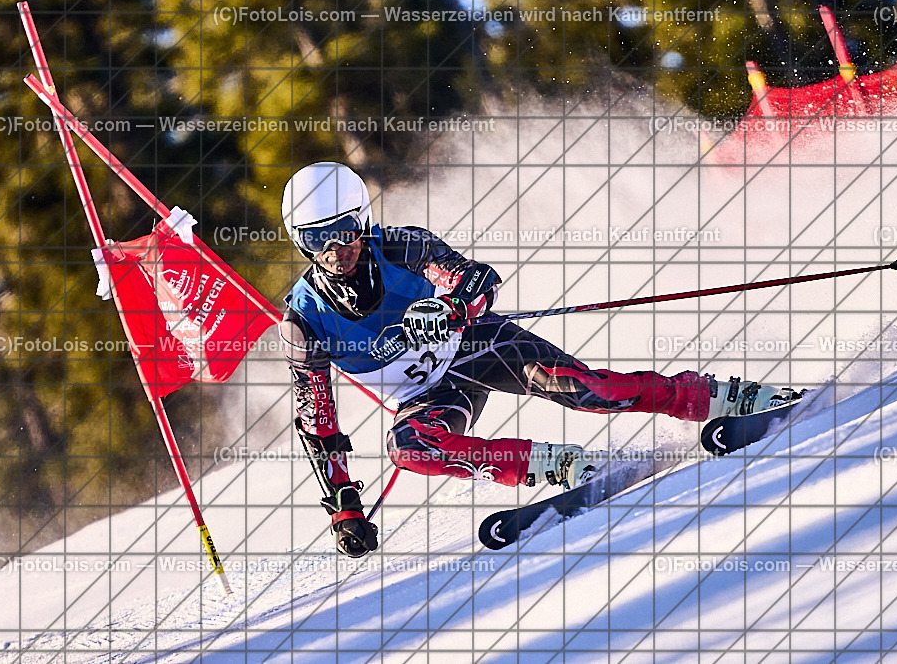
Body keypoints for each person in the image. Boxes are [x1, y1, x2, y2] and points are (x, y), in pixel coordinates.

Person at [279, 162, 786, 558]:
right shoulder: (303, 322)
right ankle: (558, 465)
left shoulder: (399, 246)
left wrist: (451, 308)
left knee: (588, 392)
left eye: (344, 230)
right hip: (430, 396)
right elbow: (318, 423)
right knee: (408, 448)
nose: (335, 249)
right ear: (300, 241)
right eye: (317, 238)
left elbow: (476, 278)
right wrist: (345, 509)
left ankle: (720, 397)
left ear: (362, 221)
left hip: (476, 347)